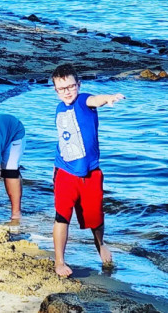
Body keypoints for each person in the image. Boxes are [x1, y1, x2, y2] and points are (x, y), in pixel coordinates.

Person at [51, 63, 125, 277]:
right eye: (62, 89)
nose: (67, 92)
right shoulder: (59, 108)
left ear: (79, 85)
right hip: (64, 171)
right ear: (55, 90)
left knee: (95, 217)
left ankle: (100, 244)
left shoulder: (83, 101)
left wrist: (108, 98)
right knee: (62, 216)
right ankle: (59, 262)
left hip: (90, 173)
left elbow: (96, 99)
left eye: (71, 87)